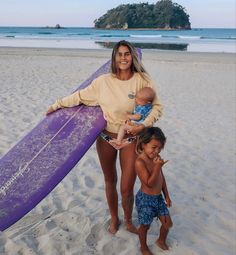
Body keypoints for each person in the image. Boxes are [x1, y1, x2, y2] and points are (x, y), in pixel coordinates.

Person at [46, 40, 162, 235]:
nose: (123, 58)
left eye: (127, 54)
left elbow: (157, 107)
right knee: (110, 180)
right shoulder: (103, 82)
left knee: (127, 186)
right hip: (107, 137)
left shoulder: (142, 79)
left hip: (131, 139)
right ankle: (115, 219)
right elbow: (79, 96)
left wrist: (143, 125)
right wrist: (56, 105)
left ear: (132, 57)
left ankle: (128, 220)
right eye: (120, 54)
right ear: (114, 58)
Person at [135, 127, 173, 255]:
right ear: (144, 144)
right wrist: (157, 166)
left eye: (160, 148)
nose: (157, 151)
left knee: (168, 223)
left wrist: (167, 196)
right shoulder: (140, 162)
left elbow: (161, 179)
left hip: (158, 198)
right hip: (145, 199)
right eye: (154, 147)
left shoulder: (156, 158)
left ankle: (161, 241)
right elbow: (149, 183)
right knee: (145, 226)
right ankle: (143, 247)